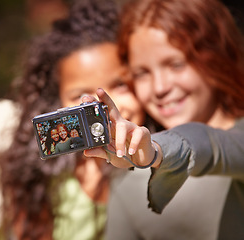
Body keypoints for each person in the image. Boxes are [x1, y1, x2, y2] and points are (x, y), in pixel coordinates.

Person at [82, 0, 244, 239]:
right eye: (142, 73)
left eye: (176, 65)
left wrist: (158, 151)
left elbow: (210, 145)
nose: (159, 88)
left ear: (216, 55)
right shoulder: (126, 175)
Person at [0, 0, 144, 239]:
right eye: (79, 95)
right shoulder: (41, 175)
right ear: (56, 103)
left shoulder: (154, 156)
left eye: (119, 85)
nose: (103, 107)